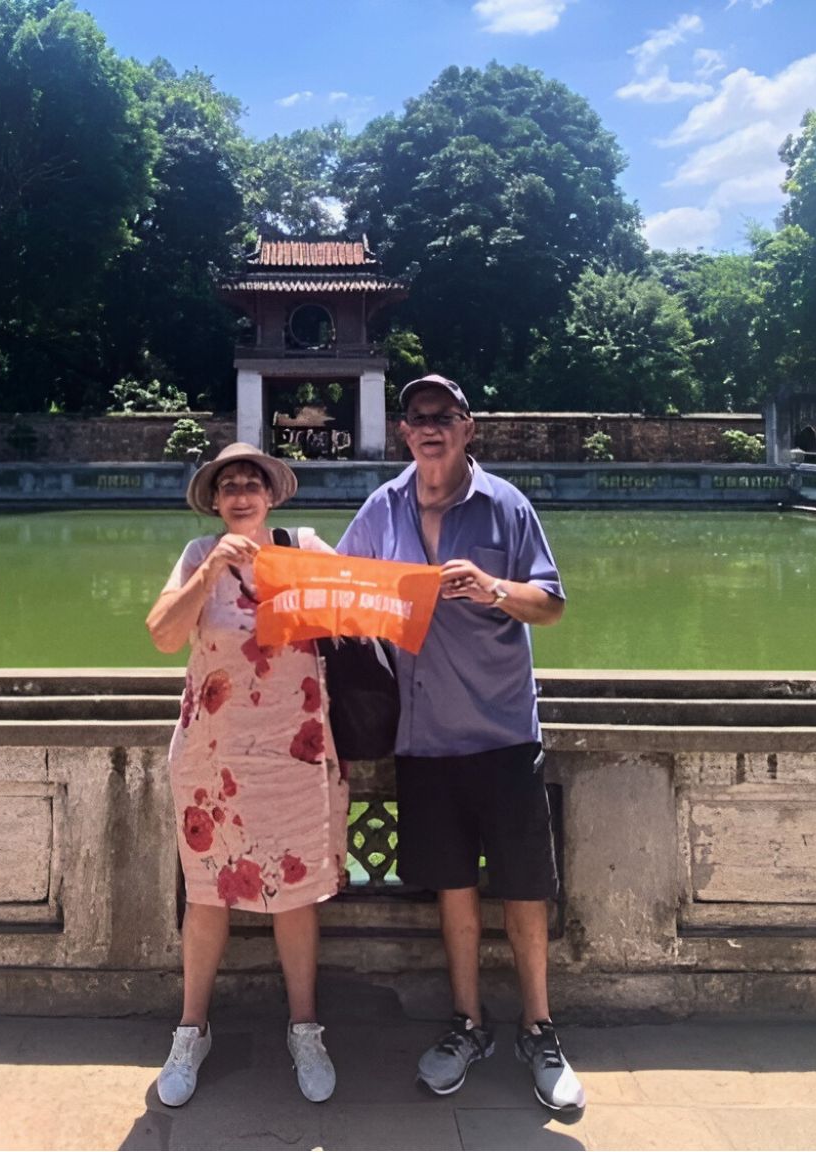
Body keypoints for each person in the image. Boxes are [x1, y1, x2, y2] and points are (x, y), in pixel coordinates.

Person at [335, 375, 585, 1112]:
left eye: (443, 416)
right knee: (453, 889)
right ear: (403, 432)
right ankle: (468, 1024)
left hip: (504, 729)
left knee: (525, 888)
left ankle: (539, 1028)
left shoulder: (506, 505)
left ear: (468, 428)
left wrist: (494, 587)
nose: (429, 428)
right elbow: (345, 583)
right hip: (423, 735)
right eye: (417, 418)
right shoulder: (384, 506)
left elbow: (553, 603)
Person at [144, 441, 348, 1108]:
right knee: (206, 896)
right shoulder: (197, 556)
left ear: (271, 496)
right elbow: (162, 636)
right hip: (215, 757)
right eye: (227, 485)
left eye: (250, 483)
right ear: (215, 500)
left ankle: (305, 1029)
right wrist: (210, 576)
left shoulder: (305, 545)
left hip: (293, 750)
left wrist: (294, 586)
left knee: (295, 896)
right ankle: (190, 1029)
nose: (239, 494)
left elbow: (351, 614)